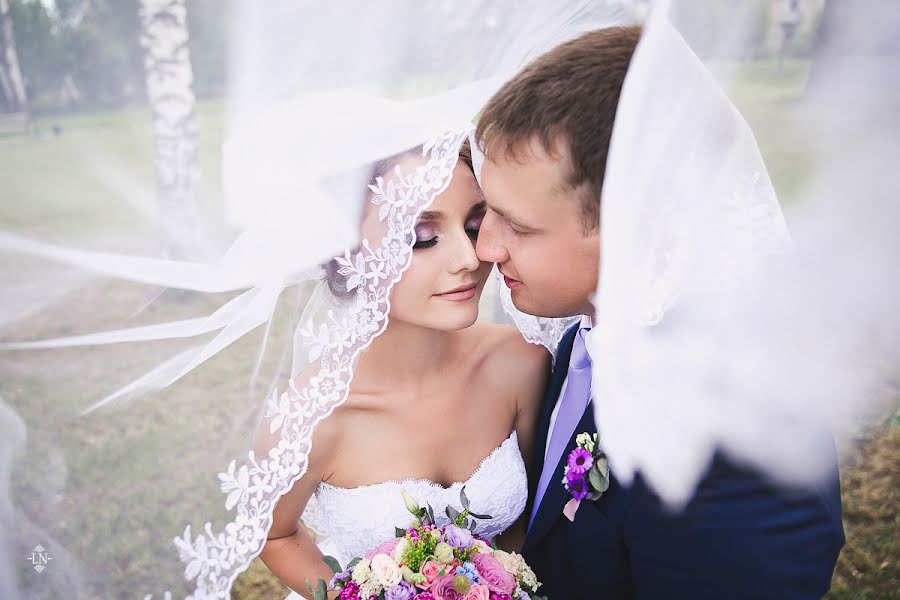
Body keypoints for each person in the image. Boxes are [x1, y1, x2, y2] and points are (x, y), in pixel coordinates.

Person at [474, 21, 845, 600]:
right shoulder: (585, 333)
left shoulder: (731, 452)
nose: (485, 247)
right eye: (487, 212)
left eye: (517, 226)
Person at [256, 139, 550, 598]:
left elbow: (530, 515)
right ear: (348, 252)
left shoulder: (521, 363)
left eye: (475, 225)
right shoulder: (310, 418)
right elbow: (275, 535)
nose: (470, 259)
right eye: (421, 237)